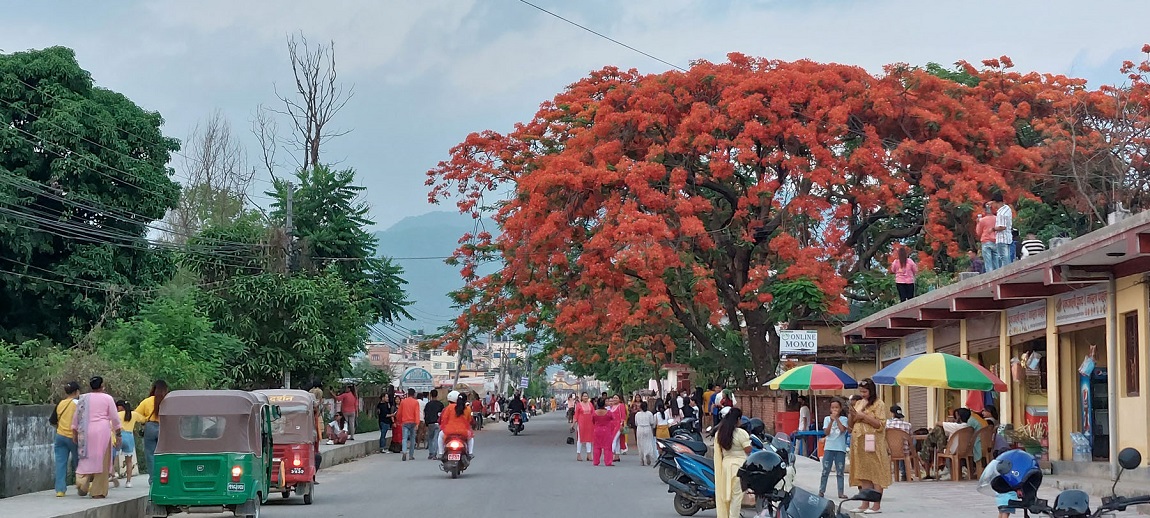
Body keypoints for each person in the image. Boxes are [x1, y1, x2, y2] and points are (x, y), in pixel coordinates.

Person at [73, 377, 122, 498]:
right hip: (102, 432)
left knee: (86, 457)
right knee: (102, 461)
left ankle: (81, 482)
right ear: (102, 386)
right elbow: (115, 418)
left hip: (86, 431)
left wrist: (74, 433)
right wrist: (118, 433)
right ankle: (98, 491)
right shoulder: (107, 398)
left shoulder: (83, 398)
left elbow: (76, 417)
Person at [847, 378, 890, 514]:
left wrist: (863, 416)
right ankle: (864, 504)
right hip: (858, 443)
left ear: (871, 391)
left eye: (865, 391)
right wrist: (852, 414)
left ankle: (876, 505)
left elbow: (880, 425)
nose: (863, 394)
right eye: (861, 391)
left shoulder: (879, 404)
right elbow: (851, 424)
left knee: (876, 472)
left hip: (873, 443)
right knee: (863, 473)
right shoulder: (859, 403)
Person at [714, 406, 752, 518]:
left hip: (725, 467)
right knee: (736, 499)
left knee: (727, 497)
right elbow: (748, 450)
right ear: (738, 419)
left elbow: (719, 452)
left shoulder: (720, 433)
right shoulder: (741, 433)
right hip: (739, 468)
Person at [133, 379, 168, 486]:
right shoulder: (168, 401)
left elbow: (136, 414)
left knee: (150, 454)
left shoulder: (147, 401)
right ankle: (164, 478)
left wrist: (144, 420)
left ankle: (153, 480)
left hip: (150, 427)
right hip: (164, 428)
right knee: (164, 454)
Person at [53, 381, 81, 497]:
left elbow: (53, 421)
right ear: (77, 391)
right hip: (73, 437)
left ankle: (60, 490)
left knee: (60, 463)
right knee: (79, 463)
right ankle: (82, 485)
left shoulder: (60, 404)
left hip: (60, 436)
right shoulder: (78, 403)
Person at [820, 398, 849, 499]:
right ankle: (821, 490)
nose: (834, 409)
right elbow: (826, 432)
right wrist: (831, 421)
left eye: (837, 407)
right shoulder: (827, 419)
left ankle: (840, 492)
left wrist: (837, 419)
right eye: (833, 408)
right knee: (825, 470)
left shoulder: (844, 419)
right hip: (829, 447)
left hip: (840, 448)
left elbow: (842, 430)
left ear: (840, 409)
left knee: (840, 471)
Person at [114, 400, 142, 488]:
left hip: (119, 436)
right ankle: (128, 481)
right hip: (129, 437)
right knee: (129, 461)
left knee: (114, 456)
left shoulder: (117, 415)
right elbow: (144, 419)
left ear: (120, 407)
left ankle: (114, 473)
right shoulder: (134, 414)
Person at [438, 391, 474, 457]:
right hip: (463, 432)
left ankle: (441, 453)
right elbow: (469, 420)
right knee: (470, 438)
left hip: (449, 431)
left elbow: (444, 419)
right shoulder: (467, 408)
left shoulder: (448, 408)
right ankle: (470, 453)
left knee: (440, 436)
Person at [590, 398, 616, 466]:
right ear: (604, 404)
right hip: (606, 431)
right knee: (607, 447)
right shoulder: (608, 413)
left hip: (597, 430)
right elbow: (613, 418)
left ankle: (596, 461)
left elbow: (592, 421)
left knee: (596, 447)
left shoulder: (594, 413)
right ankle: (608, 462)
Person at [397, 388, 420, 461]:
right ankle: (411, 455)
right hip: (413, 422)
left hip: (405, 422)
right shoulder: (416, 402)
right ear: (414, 394)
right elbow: (417, 413)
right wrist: (417, 423)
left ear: (407, 393)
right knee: (412, 439)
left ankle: (404, 451)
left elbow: (399, 413)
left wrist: (399, 421)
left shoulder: (403, 402)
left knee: (404, 438)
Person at [992, 193, 1015, 270]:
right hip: (1008, 238)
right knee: (1007, 256)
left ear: (996, 202)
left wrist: (993, 229)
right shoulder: (1007, 209)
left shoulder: (1001, 213)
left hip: (1002, 238)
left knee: (1003, 257)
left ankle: (1006, 272)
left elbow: (1002, 227)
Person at [633, 401, 657, 466]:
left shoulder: (637, 414)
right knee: (648, 443)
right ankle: (648, 454)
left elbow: (636, 423)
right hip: (647, 428)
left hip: (640, 428)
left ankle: (642, 458)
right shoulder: (649, 414)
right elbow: (652, 422)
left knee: (640, 444)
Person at [976, 204, 998, 272]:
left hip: (986, 242)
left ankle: (990, 277)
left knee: (988, 263)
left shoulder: (982, 220)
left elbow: (978, 233)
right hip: (996, 241)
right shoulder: (997, 218)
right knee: (996, 262)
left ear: (985, 210)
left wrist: (977, 223)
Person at [573, 392, 595, 461]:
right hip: (581, 424)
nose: (585, 397)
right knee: (580, 439)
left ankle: (589, 454)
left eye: (586, 396)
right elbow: (576, 415)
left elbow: (593, 414)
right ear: (581, 397)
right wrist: (573, 424)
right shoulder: (579, 405)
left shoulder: (590, 404)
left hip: (590, 424)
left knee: (589, 439)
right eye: (584, 396)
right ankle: (578, 454)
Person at [424, 389, 445, 460]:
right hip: (438, 423)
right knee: (436, 438)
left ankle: (430, 453)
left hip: (430, 423)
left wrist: (426, 423)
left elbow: (426, 414)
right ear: (437, 395)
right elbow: (443, 414)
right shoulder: (440, 404)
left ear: (431, 395)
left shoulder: (428, 405)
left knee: (430, 438)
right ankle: (434, 454)